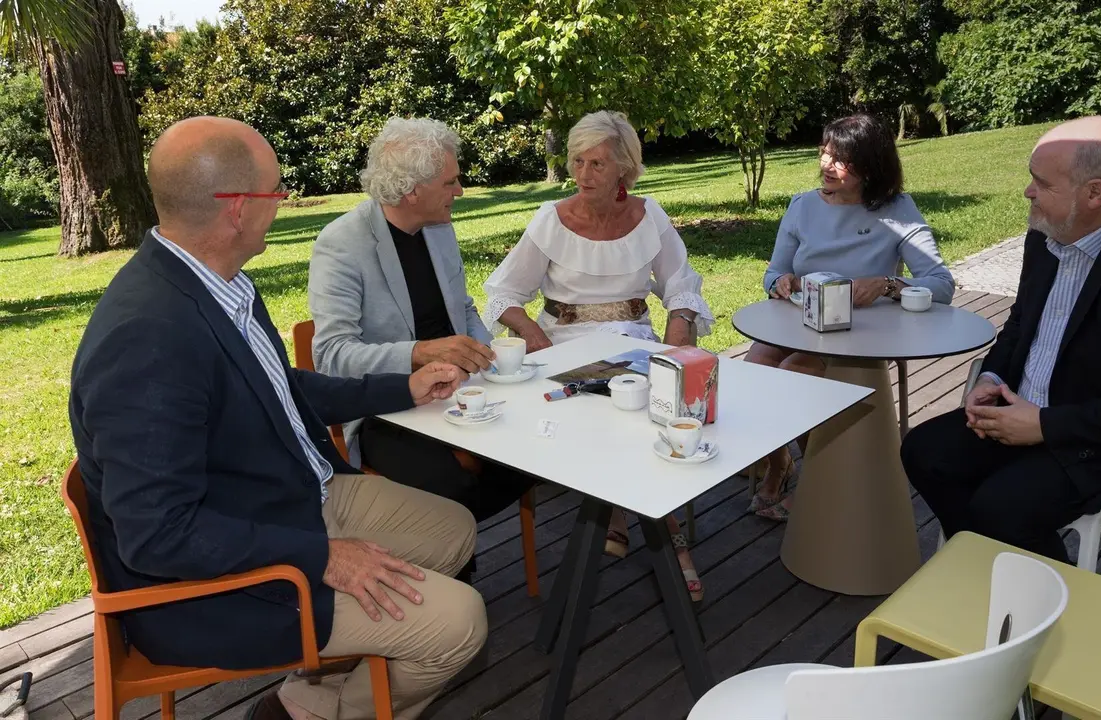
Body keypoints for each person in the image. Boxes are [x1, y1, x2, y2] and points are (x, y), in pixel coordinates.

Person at [68, 116, 487, 720]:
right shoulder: (149, 336)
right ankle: (312, 713)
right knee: (461, 623)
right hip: (217, 588)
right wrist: (325, 557)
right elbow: (158, 533)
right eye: (275, 190)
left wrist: (404, 387)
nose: (285, 199)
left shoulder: (218, 282)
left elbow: (279, 386)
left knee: (454, 530)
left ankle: (322, 685)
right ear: (237, 209)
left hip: (284, 500)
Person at [901, 116, 1101, 563]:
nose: (1028, 192)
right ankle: (988, 573)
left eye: (1042, 182)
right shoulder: (1047, 234)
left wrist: (1044, 425)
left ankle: (1055, 610)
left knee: (1000, 508)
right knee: (924, 452)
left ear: (1095, 192)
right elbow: (1021, 324)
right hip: (1029, 413)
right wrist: (992, 377)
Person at [483, 110, 713, 600]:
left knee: (653, 405)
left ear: (625, 171)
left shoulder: (650, 217)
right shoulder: (551, 220)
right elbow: (503, 293)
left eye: (598, 164)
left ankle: (628, 517)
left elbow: (681, 286)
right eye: (578, 162)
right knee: (624, 414)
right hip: (564, 346)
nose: (584, 174)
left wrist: (677, 335)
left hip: (634, 340)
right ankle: (668, 540)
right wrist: (535, 338)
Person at [309, 117, 535, 523]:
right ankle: (452, 571)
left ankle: (452, 550)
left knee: (541, 447)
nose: (460, 191)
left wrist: (490, 357)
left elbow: (463, 308)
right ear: (412, 191)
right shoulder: (342, 244)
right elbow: (331, 356)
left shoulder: (438, 228)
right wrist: (418, 353)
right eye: (450, 182)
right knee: (451, 490)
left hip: (464, 392)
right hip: (389, 408)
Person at [745, 114, 955, 520]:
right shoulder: (802, 206)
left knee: (793, 373)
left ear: (871, 166)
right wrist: (781, 282)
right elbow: (772, 273)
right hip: (802, 320)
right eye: (825, 152)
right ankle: (779, 464)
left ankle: (818, 478)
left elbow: (941, 284)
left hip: (860, 332)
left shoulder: (897, 209)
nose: (826, 164)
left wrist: (889, 284)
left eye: (841, 159)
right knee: (756, 369)